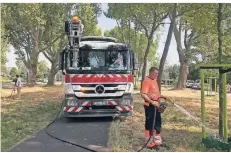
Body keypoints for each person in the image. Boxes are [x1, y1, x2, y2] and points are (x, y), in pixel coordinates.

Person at [140, 67, 165, 148]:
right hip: (149, 106)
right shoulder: (146, 81)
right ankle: (148, 140)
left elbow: (155, 92)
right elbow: (143, 94)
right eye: (155, 73)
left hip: (156, 105)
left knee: (158, 121)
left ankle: (157, 139)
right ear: (150, 73)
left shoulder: (154, 81)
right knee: (150, 122)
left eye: (157, 73)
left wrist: (160, 98)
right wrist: (152, 101)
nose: (157, 75)